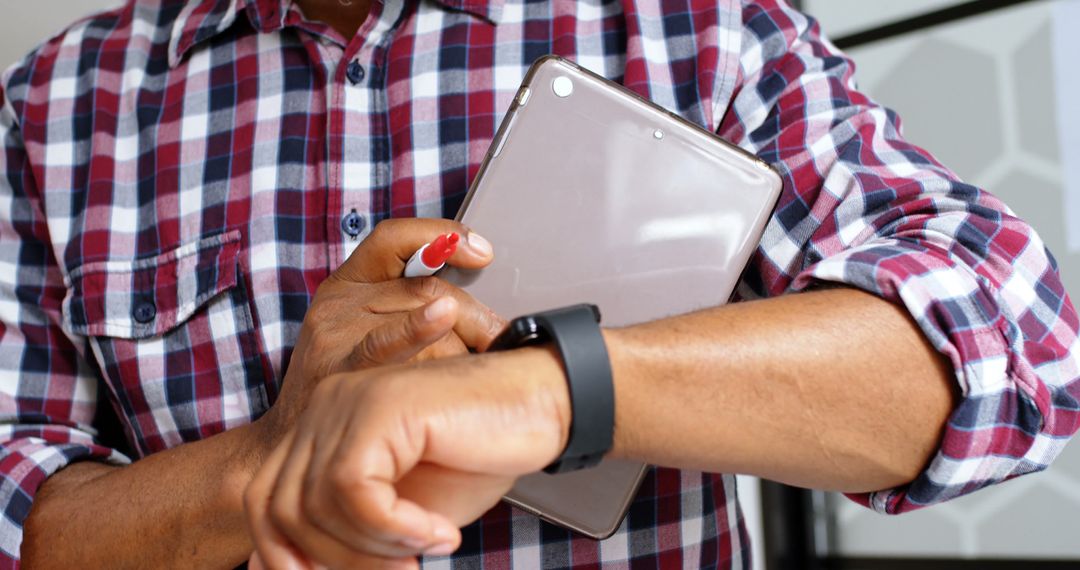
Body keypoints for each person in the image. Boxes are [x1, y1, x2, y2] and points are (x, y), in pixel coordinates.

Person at [1, 0, 1076, 567]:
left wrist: (541, 392)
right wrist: (278, 457)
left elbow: (1017, 340)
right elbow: (19, 513)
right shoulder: (55, 106)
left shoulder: (698, 20)